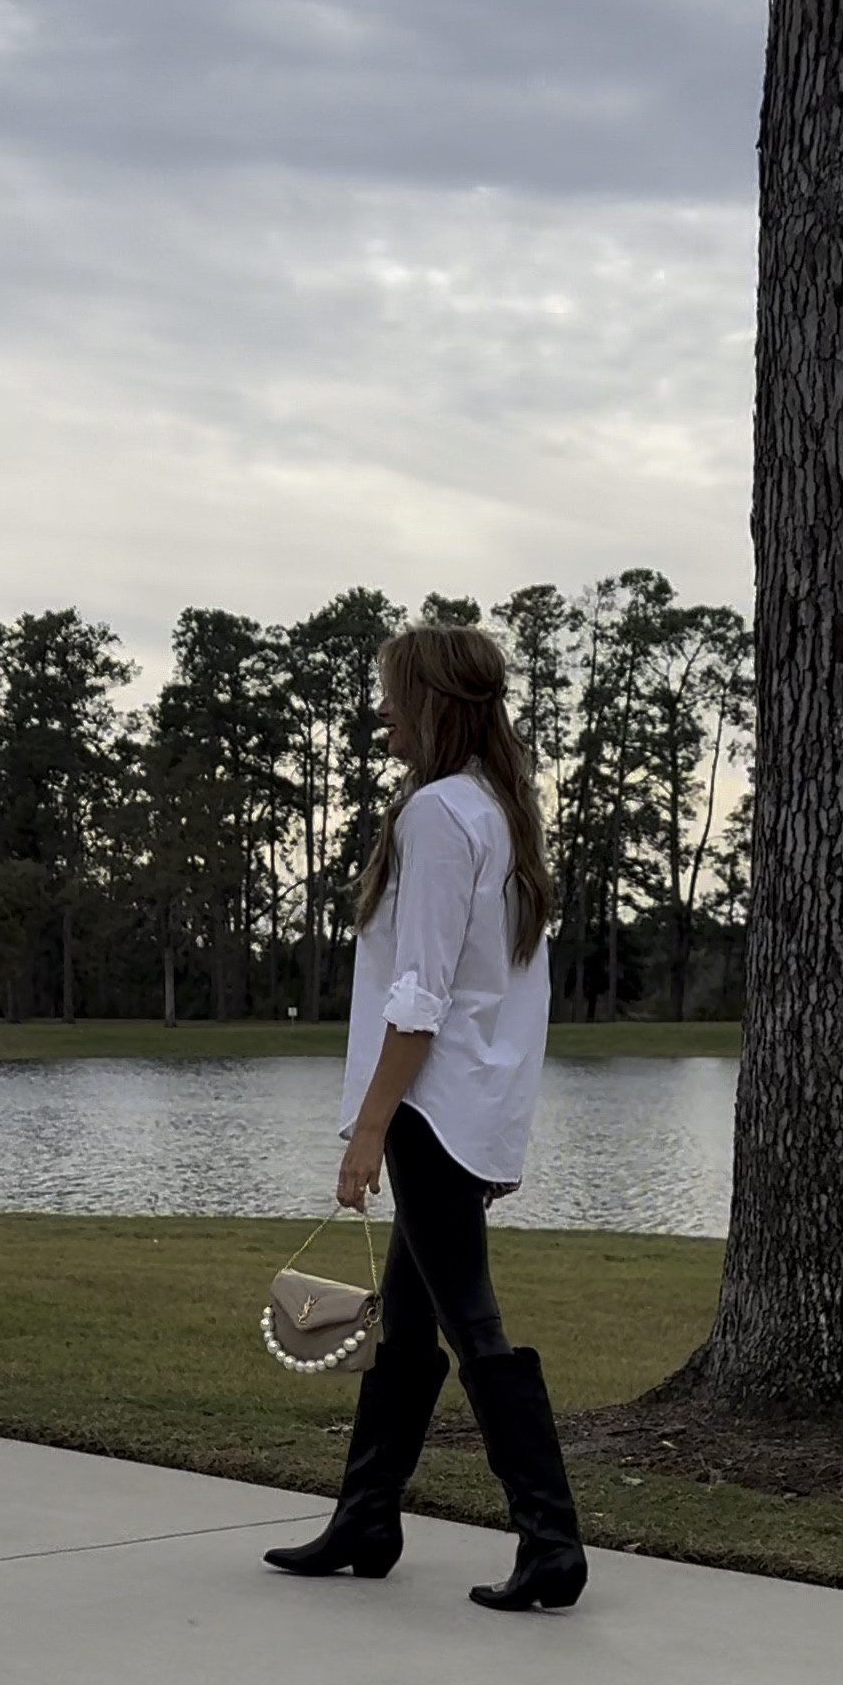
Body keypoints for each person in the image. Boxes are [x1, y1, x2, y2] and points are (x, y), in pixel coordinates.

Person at [264, 619, 588, 1612]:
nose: (381, 712)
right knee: (407, 1328)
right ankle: (367, 1518)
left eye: (393, 695)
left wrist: (369, 1129)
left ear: (435, 706)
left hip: (430, 1109)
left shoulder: (442, 816)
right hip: (464, 1104)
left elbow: (422, 995)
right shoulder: (491, 808)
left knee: (470, 1323)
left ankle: (551, 1539)